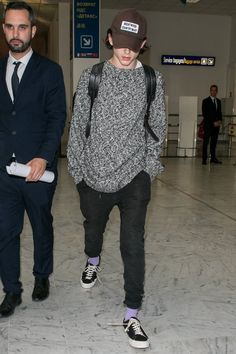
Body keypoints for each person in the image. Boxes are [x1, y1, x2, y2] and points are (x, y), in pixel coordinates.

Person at [67, 8, 166, 349]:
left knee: (132, 244)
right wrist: (78, 172)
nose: (126, 52)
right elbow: (78, 126)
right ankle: (92, 259)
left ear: (143, 44)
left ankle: (132, 313)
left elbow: (158, 128)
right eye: (120, 44)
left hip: (134, 177)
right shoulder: (92, 76)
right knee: (93, 230)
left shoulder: (152, 79)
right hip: (93, 176)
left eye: (134, 46)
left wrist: (148, 168)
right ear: (109, 38)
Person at [0, 1, 66, 317]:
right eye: (10, 26)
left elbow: (56, 118)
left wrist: (43, 156)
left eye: (22, 27)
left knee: (41, 226)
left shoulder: (50, 72)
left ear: (33, 30)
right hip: (3, 172)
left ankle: (42, 276)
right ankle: (11, 290)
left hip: (38, 171)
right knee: (5, 232)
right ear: (4, 28)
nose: (16, 33)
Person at [202, 84, 222, 164]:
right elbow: (205, 114)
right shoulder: (205, 101)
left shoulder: (219, 101)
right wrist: (213, 122)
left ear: (217, 92)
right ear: (210, 91)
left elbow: (219, 113)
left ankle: (213, 158)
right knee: (206, 142)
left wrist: (220, 121)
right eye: (212, 90)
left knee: (214, 143)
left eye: (215, 90)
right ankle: (204, 159)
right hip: (208, 126)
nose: (213, 92)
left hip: (216, 126)